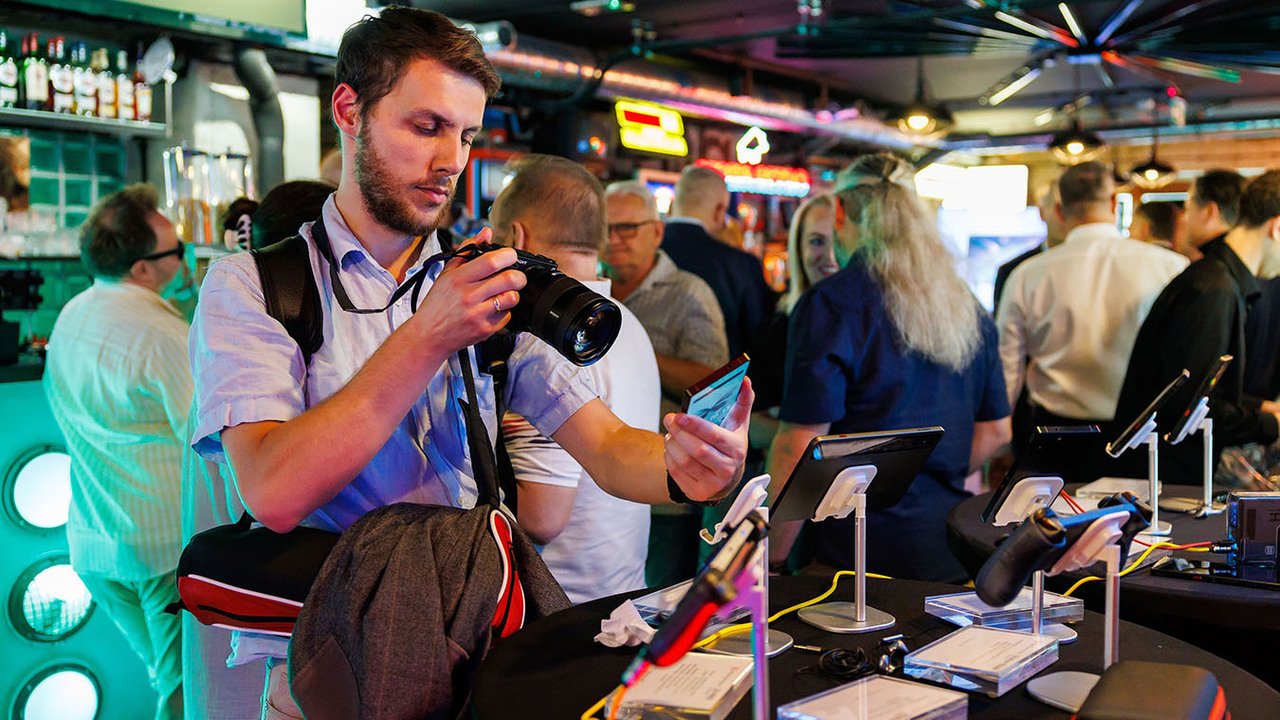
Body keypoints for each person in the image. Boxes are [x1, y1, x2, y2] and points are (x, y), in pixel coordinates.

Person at [186, 10, 750, 717]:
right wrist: (426, 337)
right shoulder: (256, 285)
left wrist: (688, 465)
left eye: (467, 135)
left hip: (470, 645)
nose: (451, 160)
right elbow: (272, 489)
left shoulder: (479, 279)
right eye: (426, 127)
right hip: (328, 666)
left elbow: (606, 447)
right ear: (349, 110)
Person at [767, 153, 1011, 582]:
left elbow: (800, 444)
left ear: (840, 211)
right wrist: (927, 475)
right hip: (948, 549)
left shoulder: (832, 302)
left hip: (851, 556)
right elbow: (996, 432)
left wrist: (770, 556)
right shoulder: (965, 305)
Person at [181, 179, 338, 720]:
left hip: (239, 604)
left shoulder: (240, 361)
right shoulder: (245, 335)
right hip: (264, 610)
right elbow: (269, 494)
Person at [44, 184, 190, 720]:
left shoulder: (71, 315)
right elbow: (211, 439)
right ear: (142, 270)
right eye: (177, 252)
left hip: (92, 545)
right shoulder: (160, 333)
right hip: (159, 547)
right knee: (184, 691)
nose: (184, 259)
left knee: (165, 678)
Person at [488, 154, 660, 604]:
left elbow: (543, 517)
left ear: (517, 238)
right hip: (624, 595)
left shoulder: (541, 341)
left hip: (561, 609)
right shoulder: (626, 321)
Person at [997, 162, 1187, 459]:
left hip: (1055, 438)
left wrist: (999, 438)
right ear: (1113, 203)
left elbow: (1007, 371)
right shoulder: (1170, 267)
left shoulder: (1026, 275)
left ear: (1059, 211)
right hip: (1140, 437)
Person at [1116, 170, 1280, 485]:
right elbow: (1189, 409)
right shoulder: (1214, 289)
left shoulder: (1217, 279)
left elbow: (1197, 389)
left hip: (1166, 476)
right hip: (1160, 481)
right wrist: (1271, 423)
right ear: (1276, 227)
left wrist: (1260, 406)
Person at [604, 180, 729, 420]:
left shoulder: (688, 292)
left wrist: (634, 351)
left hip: (659, 445)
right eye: (604, 228)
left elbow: (715, 385)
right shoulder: (588, 287)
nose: (613, 239)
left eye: (627, 227)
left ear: (657, 232)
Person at [662, 165, 774, 359]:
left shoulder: (645, 251)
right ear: (720, 210)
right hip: (718, 384)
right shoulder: (742, 265)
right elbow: (761, 342)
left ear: (674, 204)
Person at [992, 181, 1065, 309]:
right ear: (1042, 213)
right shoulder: (1011, 270)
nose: (1065, 216)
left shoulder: (1095, 267)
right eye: (1058, 208)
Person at [1179, 169, 1246, 261]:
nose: (1183, 218)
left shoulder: (1205, 271)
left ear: (1209, 212)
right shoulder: (1247, 262)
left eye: (1187, 209)